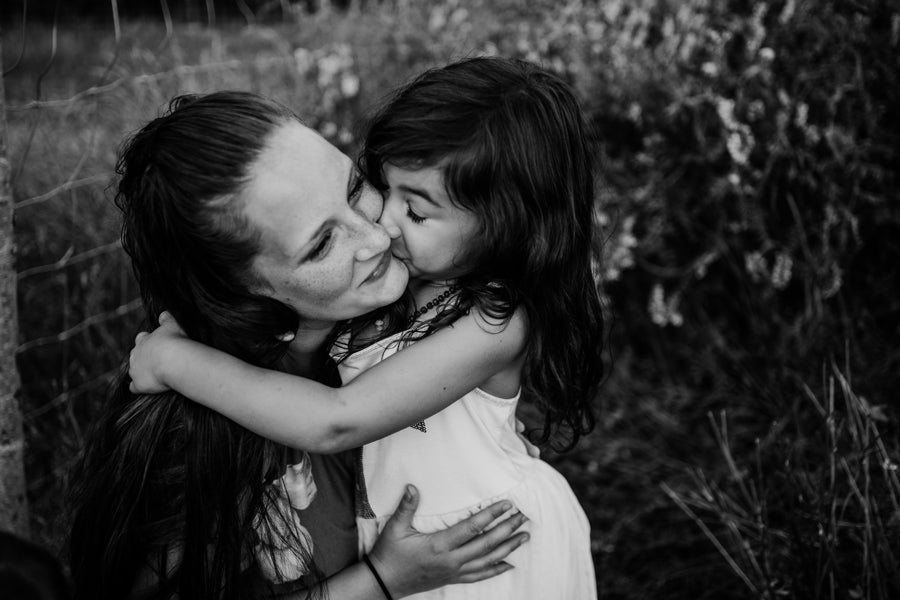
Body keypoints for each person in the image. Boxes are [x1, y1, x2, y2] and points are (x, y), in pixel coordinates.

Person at [129, 57, 603, 598]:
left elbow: (339, 420)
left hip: (485, 552)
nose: (380, 231)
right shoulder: (196, 444)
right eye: (322, 242)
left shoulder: (489, 317)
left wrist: (174, 361)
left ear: (508, 227)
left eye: (358, 189)